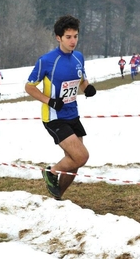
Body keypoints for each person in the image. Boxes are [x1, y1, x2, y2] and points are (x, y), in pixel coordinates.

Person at [25, 15, 96, 200]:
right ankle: (51, 171)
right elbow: (29, 87)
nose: (73, 41)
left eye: (76, 36)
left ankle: (58, 198)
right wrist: (49, 101)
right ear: (58, 38)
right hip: (54, 117)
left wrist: (87, 88)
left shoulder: (79, 57)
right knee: (81, 156)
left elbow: (81, 80)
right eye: (68, 37)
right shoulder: (47, 60)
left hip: (73, 115)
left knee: (74, 164)